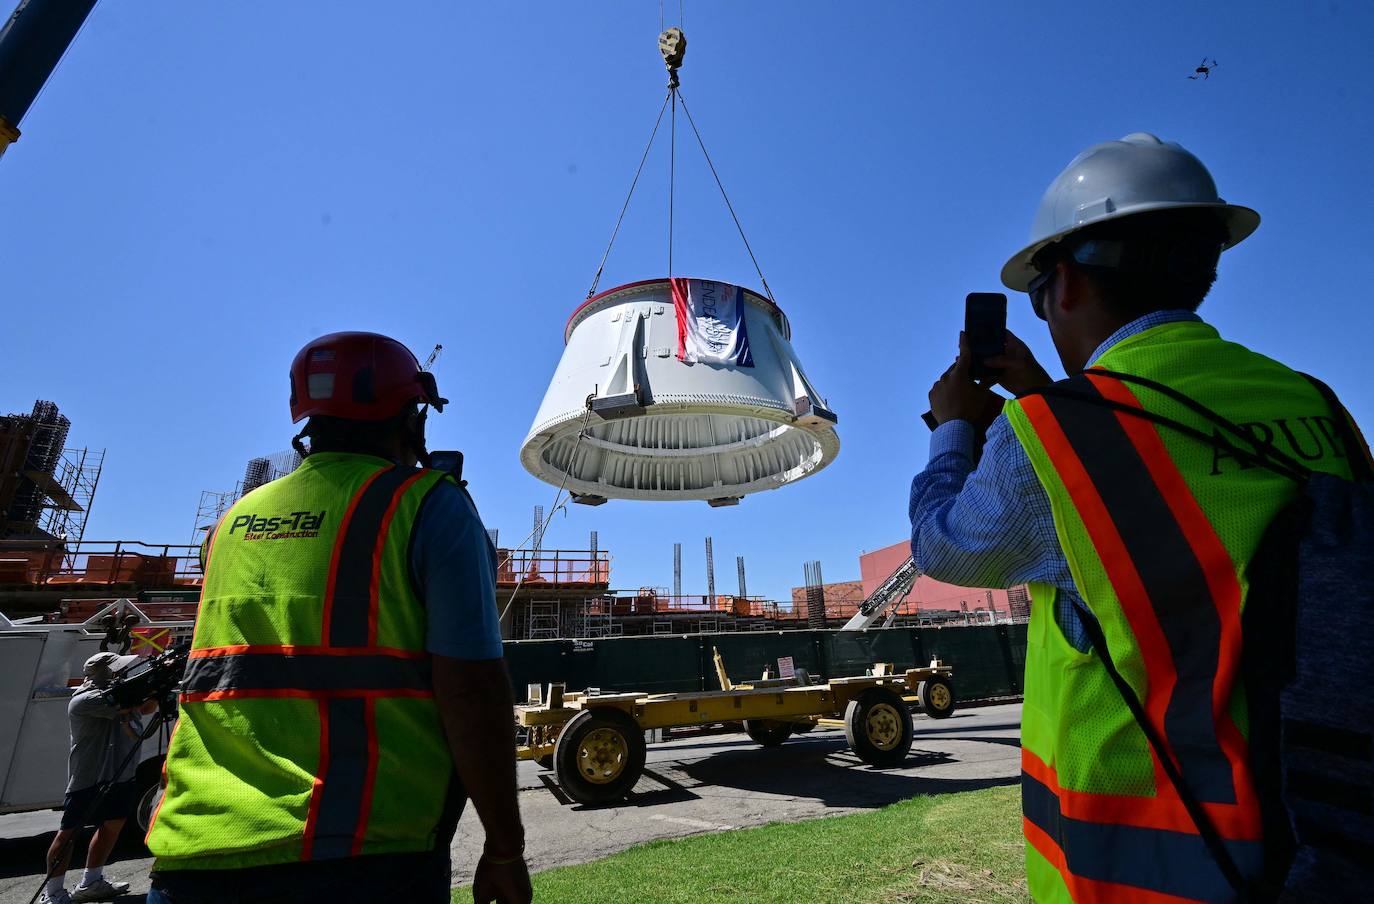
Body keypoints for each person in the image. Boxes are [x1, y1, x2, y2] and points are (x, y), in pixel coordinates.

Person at [910, 133, 1368, 902]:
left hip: (1148, 867)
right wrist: (1060, 395)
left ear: (1064, 286)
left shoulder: (1049, 439)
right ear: (1206, 268)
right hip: (1318, 839)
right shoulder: (1318, 405)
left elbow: (944, 546)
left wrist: (953, 427)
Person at [146, 332, 531, 904]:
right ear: (411, 419)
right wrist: (503, 846)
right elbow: (472, 689)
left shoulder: (231, 526)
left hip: (195, 851)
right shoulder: (426, 504)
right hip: (360, 855)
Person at [41, 652, 158, 904]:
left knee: (113, 824)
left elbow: (146, 706)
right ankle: (52, 894)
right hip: (89, 776)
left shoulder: (121, 694)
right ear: (104, 674)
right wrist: (149, 687)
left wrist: (156, 686)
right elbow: (126, 704)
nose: (123, 673)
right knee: (68, 833)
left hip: (120, 773)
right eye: (116, 670)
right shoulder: (85, 700)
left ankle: (91, 882)